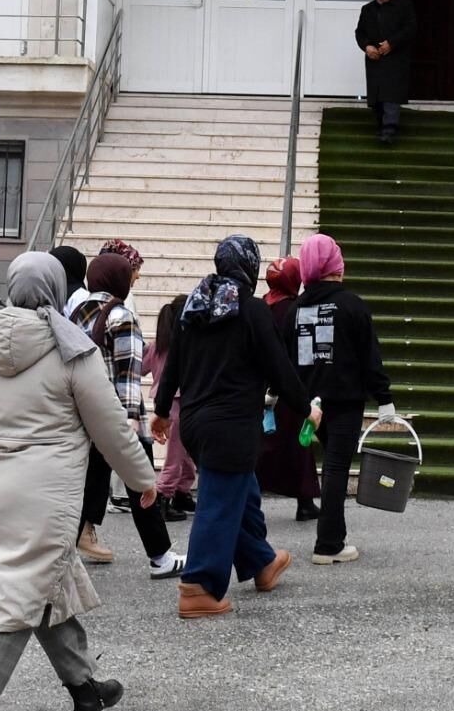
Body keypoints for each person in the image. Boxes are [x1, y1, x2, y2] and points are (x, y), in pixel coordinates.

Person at [0, 253, 157, 711]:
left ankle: (84, 688)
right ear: (58, 290)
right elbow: (110, 428)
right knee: (19, 599)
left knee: (41, 583)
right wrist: (144, 480)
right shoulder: (73, 353)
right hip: (47, 496)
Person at [152, 234, 308, 619]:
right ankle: (199, 587)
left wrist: (160, 409)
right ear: (249, 267)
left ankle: (261, 562)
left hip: (195, 423)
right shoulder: (251, 311)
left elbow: (172, 363)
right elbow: (279, 367)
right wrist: (306, 407)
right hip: (232, 425)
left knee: (240, 492)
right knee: (218, 504)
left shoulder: (196, 304)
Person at [69, 243, 184, 577]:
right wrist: (133, 425)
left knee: (86, 488)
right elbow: (128, 378)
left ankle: (58, 556)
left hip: (82, 418)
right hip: (117, 417)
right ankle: (161, 556)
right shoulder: (122, 317)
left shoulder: (76, 313)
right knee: (142, 484)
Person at [289, 233, 397, 565]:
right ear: (335, 265)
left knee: (330, 465)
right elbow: (370, 357)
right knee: (336, 467)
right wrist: (384, 398)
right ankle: (329, 543)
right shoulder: (352, 305)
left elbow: (284, 357)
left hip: (310, 403)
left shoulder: (295, 309)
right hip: (346, 399)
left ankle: (334, 537)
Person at [256, 256, 322, 523]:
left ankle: (251, 496)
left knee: (262, 444)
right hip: (291, 385)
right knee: (299, 443)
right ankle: (305, 501)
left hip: (261, 385)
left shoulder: (260, 306)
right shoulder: (297, 309)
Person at [147, 294, 196, 519]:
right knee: (176, 454)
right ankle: (163, 497)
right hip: (177, 402)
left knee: (184, 452)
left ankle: (182, 492)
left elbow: (140, 367)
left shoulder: (157, 346)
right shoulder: (185, 345)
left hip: (166, 402)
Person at [356, 0, 416, 142]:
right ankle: (381, 126)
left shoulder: (404, 6)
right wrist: (367, 47)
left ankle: (389, 129)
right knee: (376, 97)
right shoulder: (367, 9)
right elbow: (360, 32)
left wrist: (391, 43)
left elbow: (410, 29)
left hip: (396, 58)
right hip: (375, 59)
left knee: (391, 94)